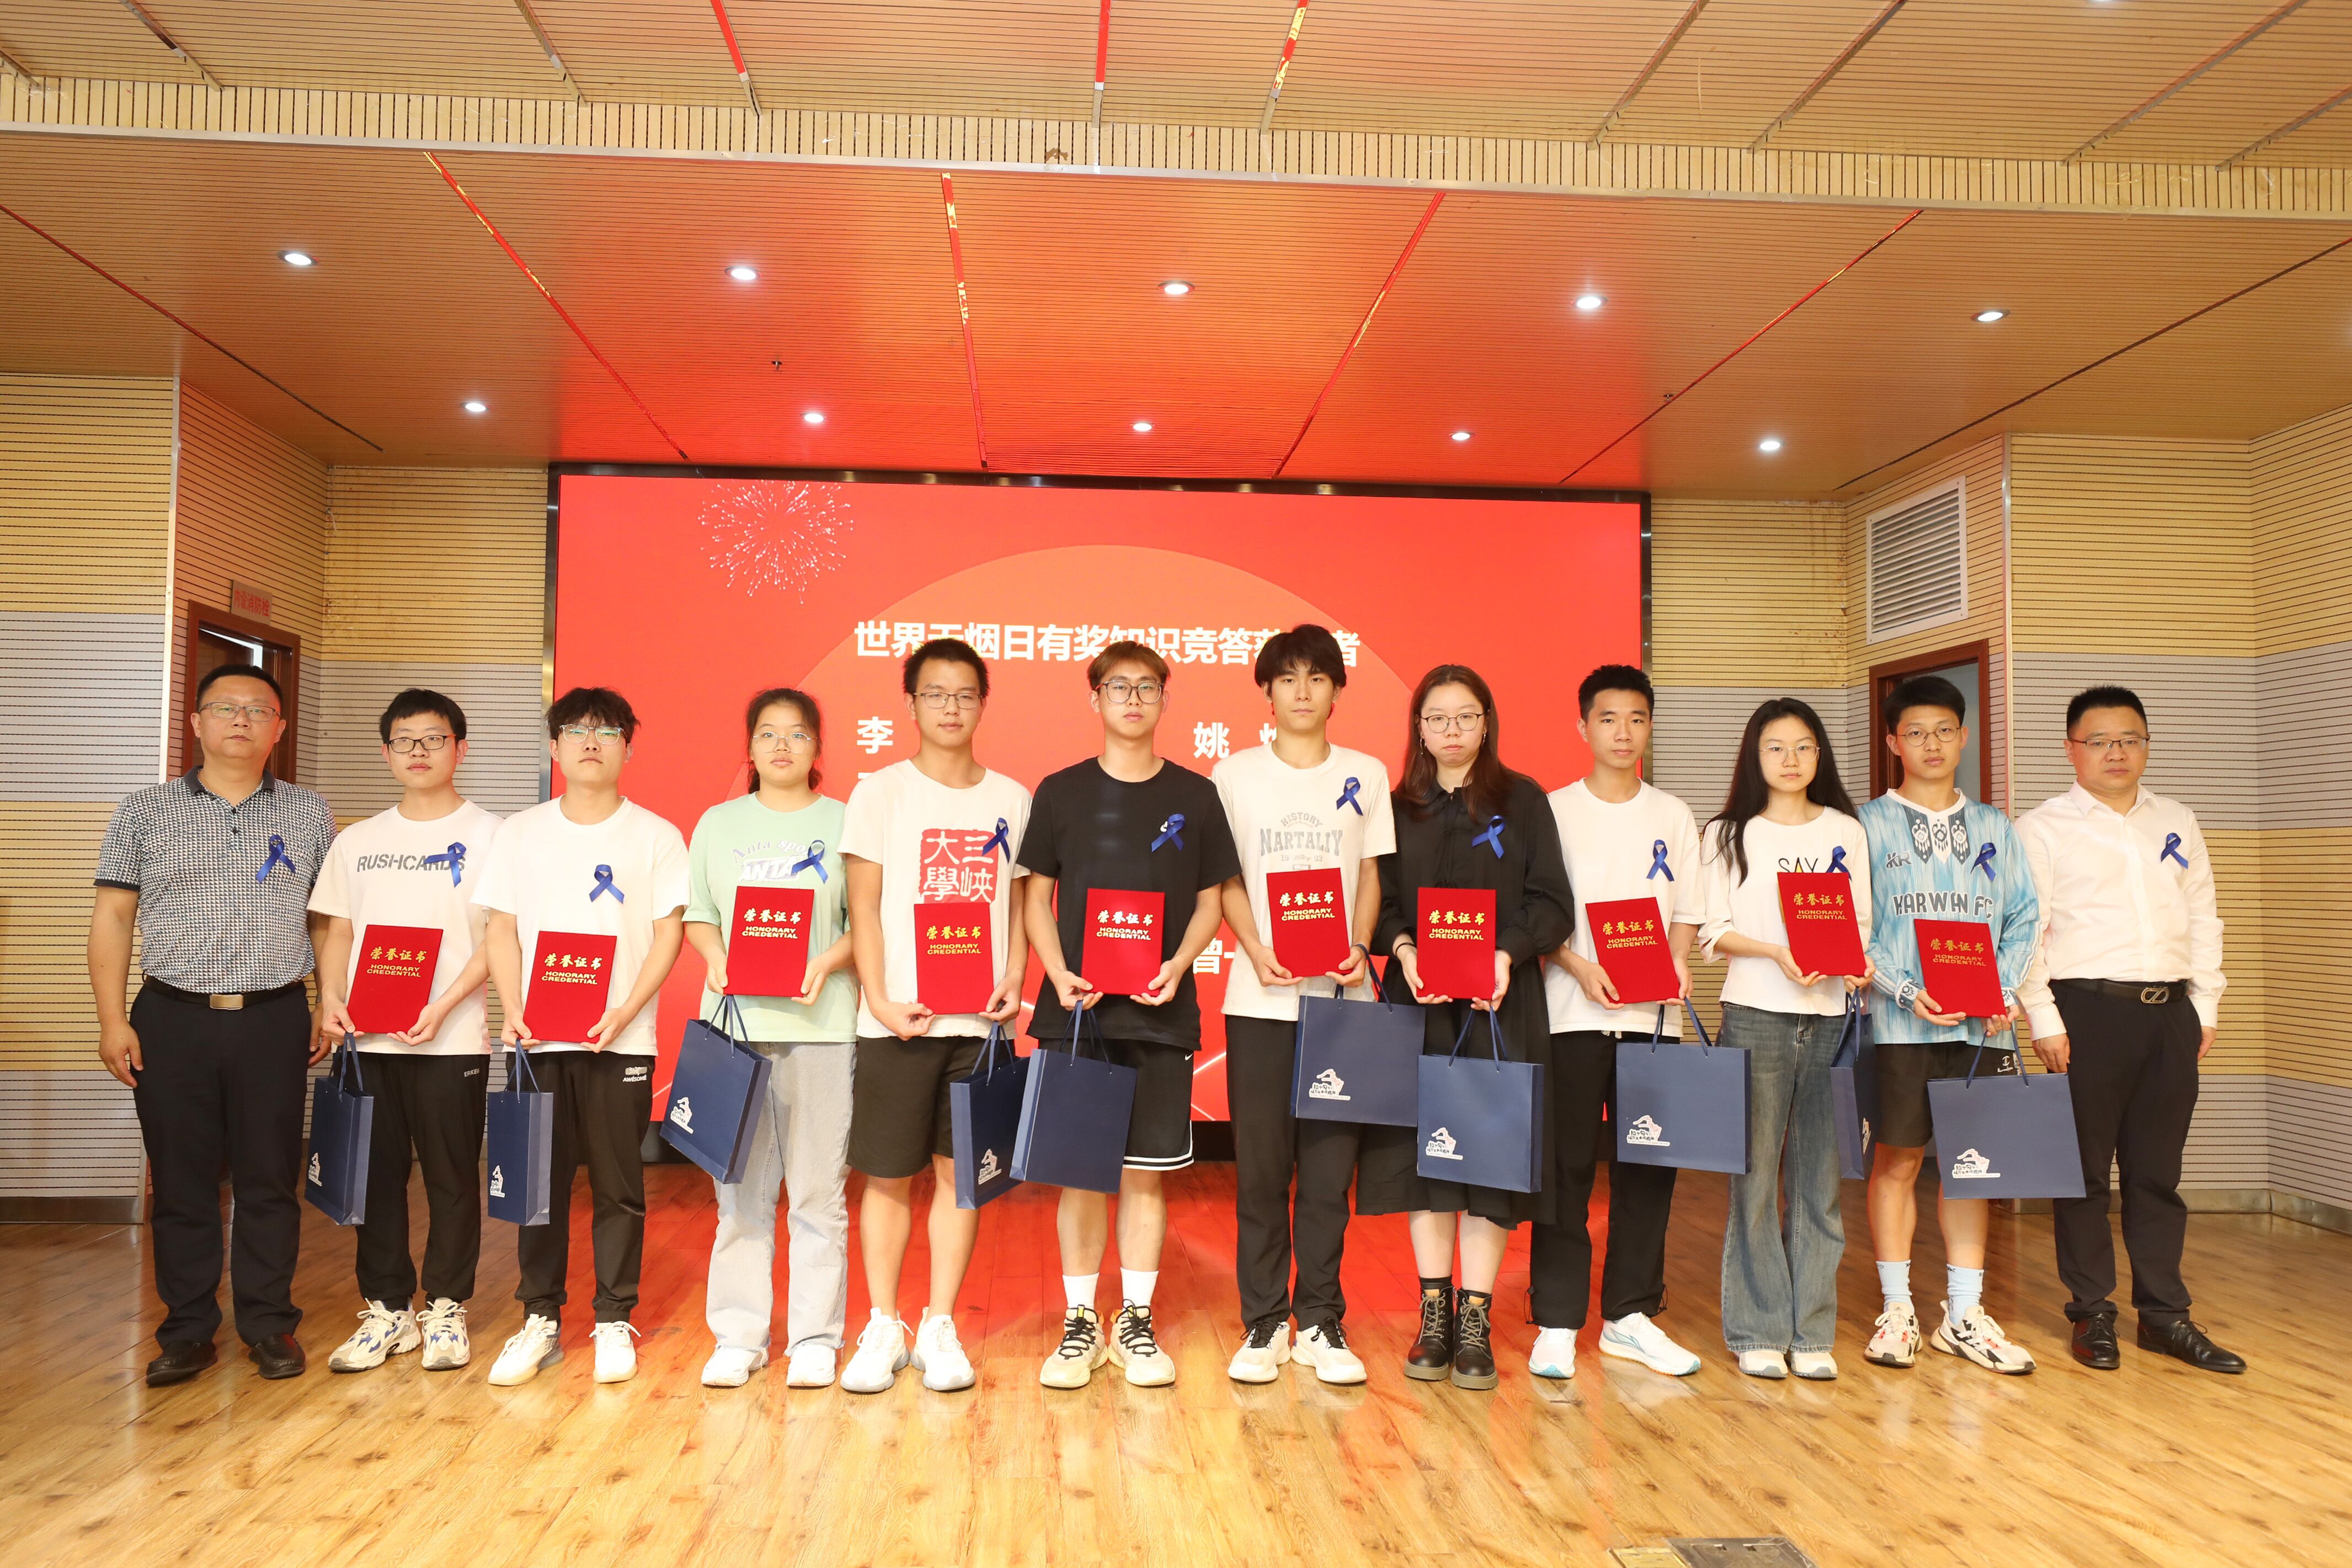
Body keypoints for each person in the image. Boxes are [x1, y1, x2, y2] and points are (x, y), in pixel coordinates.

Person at [90, 664, 337, 1386]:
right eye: (225, 708)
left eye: (258, 709)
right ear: (196, 722)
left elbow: (326, 919)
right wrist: (112, 1019)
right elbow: (112, 917)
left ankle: (268, 1323)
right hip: (172, 1018)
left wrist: (327, 999)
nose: (241, 720)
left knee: (269, 1177)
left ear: (278, 728)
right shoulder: (143, 810)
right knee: (182, 1180)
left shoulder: (309, 813)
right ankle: (188, 1329)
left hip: (273, 1016)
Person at [1019, 642, 1240, 1389]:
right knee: (1081, 1175)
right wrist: (1056, 971)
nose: (1134, 698)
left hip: (1159, 1010)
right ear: (1096, 699)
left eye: (1147, 687)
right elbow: (1035, 897)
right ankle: (1080, 1321)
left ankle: (1135, 1320)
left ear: (1164, 700)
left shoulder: (1195, 795)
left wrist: (1178, 963)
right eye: (1119, 687)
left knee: (1145, 1175)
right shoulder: (1060, 792)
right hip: (1077, 1013)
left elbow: (1211, 899)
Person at [1358, 664, 1574, 1391]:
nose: (1451, 730)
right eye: (1436, 718)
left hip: (1499, 1003)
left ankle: (1474, 1316)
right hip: (1419, 999)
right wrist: (1404, 950)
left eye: (1465, 716)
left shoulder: (1524, 801)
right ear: (1418, 728)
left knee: (1488, 1156)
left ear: (1487, 723)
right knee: (1425, 1158)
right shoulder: (1397, 807)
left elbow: (1551, 903)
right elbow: (1380, 902)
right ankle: (1434, 1313)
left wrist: (1506, 955)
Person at [2018, 687, 2243, 1374]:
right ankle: (2092, 1312)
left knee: (2157, 1174)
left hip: (2170, 1013)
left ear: (2146, 744)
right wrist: (2043, 1015)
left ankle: (2165, 1316)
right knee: (2083, 1173)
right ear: (2071, 750)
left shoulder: (2176, 819)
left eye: (2131, 739)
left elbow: (2202, 915)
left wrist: (2205, 1006)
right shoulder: (2042, 827)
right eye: (2100, 741)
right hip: (2086, 1012)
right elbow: (2026, 931)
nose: (2116, 752)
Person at [474, 687, 689, 1386]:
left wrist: (627, 1009)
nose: (591, 741)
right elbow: (501, 927)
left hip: (620, 1040)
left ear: (629, 745)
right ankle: (539, 1317)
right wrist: (513, 1007)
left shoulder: (655, 835)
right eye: (575, 729)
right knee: (538, 1184)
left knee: (619, 1186)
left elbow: (668, 933)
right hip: (537, 1039)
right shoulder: (520, 832)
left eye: (607, 731)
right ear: (554, 746)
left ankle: (613, 1317)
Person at [838, 637, 1032, 1395]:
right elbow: (862, 907)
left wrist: (1014, 976)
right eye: (934, 693)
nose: (950, 707)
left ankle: (941, 1322)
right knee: (887, 1176)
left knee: (961, 1179)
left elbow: (1016, 905)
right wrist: (880, 998)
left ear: (983, 703)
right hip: (898, 1020)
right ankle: (883, 1323)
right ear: (910, 703)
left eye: (964, 694)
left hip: (978, 1026)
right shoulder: (880, 793)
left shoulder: (1012, 798)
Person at [1211, 624, 1395, 1386]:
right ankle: (1263, 1320)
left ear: (1336, 690)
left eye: (1316, 677)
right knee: (1261, 1170)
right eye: (1286, 678)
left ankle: (1319, 1317)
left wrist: (1358, 945)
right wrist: (1254, 945)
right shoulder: (1234, 773)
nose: (1301, 691)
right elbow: (1224, 877)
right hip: (1259, 999)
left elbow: (1370, 874)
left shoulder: (1365, 773)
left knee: (1326, 1173)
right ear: (1266, 690)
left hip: (1340, 1001)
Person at [310, 689, 502, 1374]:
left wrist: (445, 1003)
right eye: (405, 740)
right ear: (386, 752)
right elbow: (338, 928)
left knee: (452, 1179)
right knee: (373, 1179)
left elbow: (500, 937)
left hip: (451, 1039)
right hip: (368, 1040)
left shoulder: (494, 835)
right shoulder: (357, 841)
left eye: (434, 738)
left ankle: (445, 1307)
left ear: (460, 748)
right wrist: (331, 997)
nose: (419, 751)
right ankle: (388, 1310)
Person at [1858, 674, 2040, 1377]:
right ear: (1893, 742)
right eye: (1915, 732)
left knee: (1972, 1169)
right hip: (1900, 1026)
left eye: (1943, 731)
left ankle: (1963, 1314)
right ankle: (1898, 1310)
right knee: (1898, 1161)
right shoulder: (1865, 826)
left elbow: (2024, 916)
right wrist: (1906, 990)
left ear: (1964, 737)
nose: (1930, 744)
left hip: (1982, 1028)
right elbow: (1856, 927)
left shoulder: (1996, 827)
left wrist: (2001, 989)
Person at [1528, 665, 1705, 1382]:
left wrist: (1677, 960)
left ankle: (1629, 1316)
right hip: (1570, 1015)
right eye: (1607, 718)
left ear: (1649, 726)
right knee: (1565, 1170)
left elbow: (1687, 909)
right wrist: (1575, 965)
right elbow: (1536, 914)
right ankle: (1557, 1320)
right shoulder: (1552, 810)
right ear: (1583, 727)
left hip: (1651, 1020)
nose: (1622, 732)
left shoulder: (1673, 814)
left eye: (1635, 718)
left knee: (1647, 1172)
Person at [684, 689, 857, 1389]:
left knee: (818, 1195)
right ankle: (739, 1335)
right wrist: (717, 958)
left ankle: (815, 1337)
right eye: (767, 734)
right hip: (736, 1034)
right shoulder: (718, 823)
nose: (782, 746)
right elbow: (700, 913)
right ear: (750, 747)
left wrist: (827, 961)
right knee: (740, 1197)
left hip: (823, 1030)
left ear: (818, 747)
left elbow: (864, 921)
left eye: (797, 734)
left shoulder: (845, 821)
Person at [1699, 698, 1872, 1380]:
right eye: (1776, 747)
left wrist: (1852, 964)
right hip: (1755, 1015)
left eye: (1803, 747)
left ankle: (1813, 1331)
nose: (1791, 759)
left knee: (1819, 1180)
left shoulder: (1845, 830)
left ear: (1819, 755)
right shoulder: (1728, 833)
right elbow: (1713, 932)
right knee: (1753, 1178)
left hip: (1830, 1018)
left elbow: (1859, 922)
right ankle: (1758, 1329)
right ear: (1755, 756)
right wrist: (1775, 950)